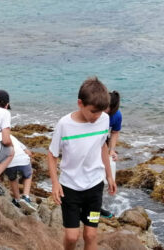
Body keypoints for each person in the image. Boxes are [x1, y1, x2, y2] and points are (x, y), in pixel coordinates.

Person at [47, 77, 117, 250]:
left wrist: (109, 175)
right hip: (70, 188)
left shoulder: (104, 119)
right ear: (80, 103)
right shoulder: (65, 124)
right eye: (93, 111)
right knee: (72, 237)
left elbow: (102, 146)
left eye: (100, 112)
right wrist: (55, 183)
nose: (97, 116)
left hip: (94, 187)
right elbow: (51, 154)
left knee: (91, 234)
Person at [100, 90, 122, 219]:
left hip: (102, 141)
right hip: (88, 141)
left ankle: (96, 210)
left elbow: (114, 132)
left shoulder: (116, 115)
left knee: (101, 176)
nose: (104, 110)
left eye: (107, 108)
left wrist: (111, 150)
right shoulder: (95, 110)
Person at [4, 135, 38, 213]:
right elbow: (28, 153)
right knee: (28, 176)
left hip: (9, 162)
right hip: (23, 160)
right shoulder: (12, 137)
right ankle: (26, 196)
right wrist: (30, 160)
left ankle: (17, 199)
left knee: (12, 178)